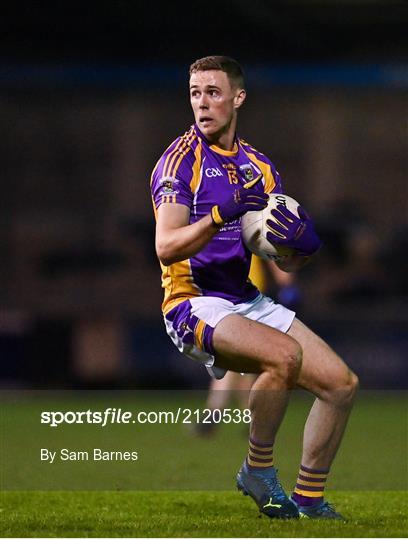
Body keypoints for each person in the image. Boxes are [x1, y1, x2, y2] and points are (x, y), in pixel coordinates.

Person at [150, 55, 358, 520]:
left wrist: (301, 249)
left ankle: (308, 499)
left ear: (238, 98)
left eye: (213, 93)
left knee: (341, 386)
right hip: (192, 303)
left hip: (244, 299)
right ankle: (257, 470)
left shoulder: (259, 167)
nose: (202, 104)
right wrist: (220, 215)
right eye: (195, 93)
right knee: (283, 356)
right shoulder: (179, 163)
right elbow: (166, 247)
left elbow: (277, 254)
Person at [192, 257, 301, 437]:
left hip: (246, 302)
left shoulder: (239, 230)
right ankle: (251, 418)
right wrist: (287, 285)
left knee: (231, 360)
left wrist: (287, 284)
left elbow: (270, 253)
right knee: (238, 364)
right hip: (231, 299)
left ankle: (214, 414)